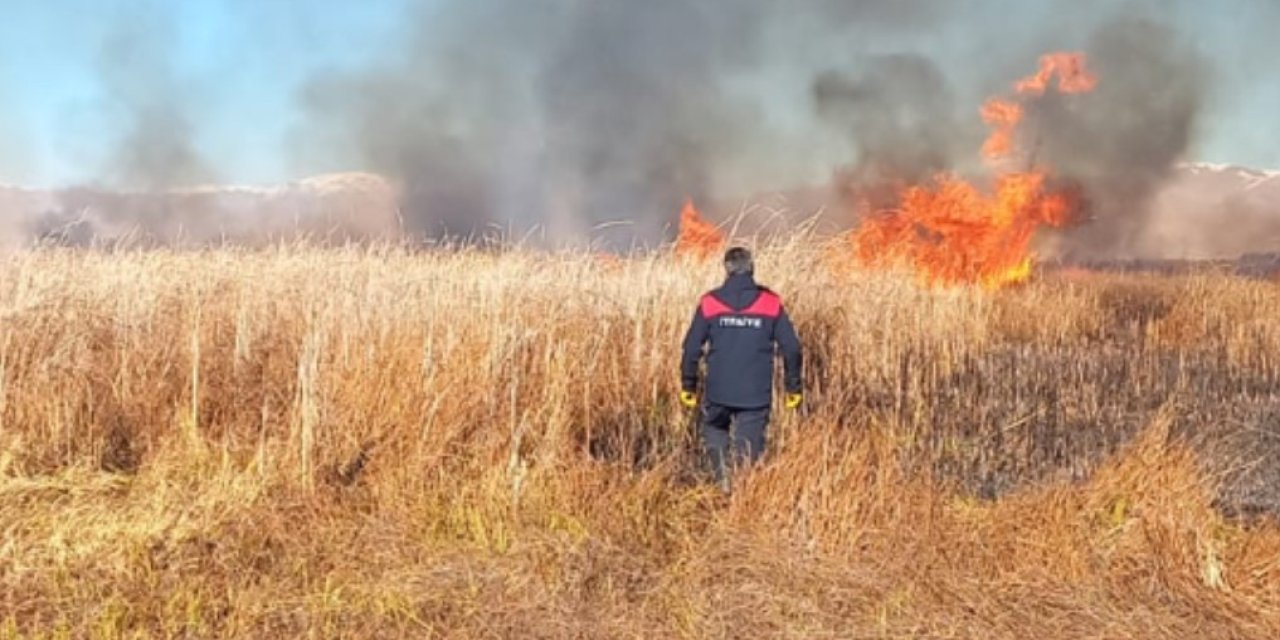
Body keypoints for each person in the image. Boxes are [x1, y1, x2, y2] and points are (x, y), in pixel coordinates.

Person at [679, 246, 803, 490]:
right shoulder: (770, 303)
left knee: (715, 431)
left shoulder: (710, 303)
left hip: (718, 392)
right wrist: (793, 388)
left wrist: (688, 385)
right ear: (752, 268)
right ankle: (743, 498)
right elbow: (792, 348)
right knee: (749, 452)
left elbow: (692, 347)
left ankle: (722, 485)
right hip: (754, 395)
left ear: (726, 270)